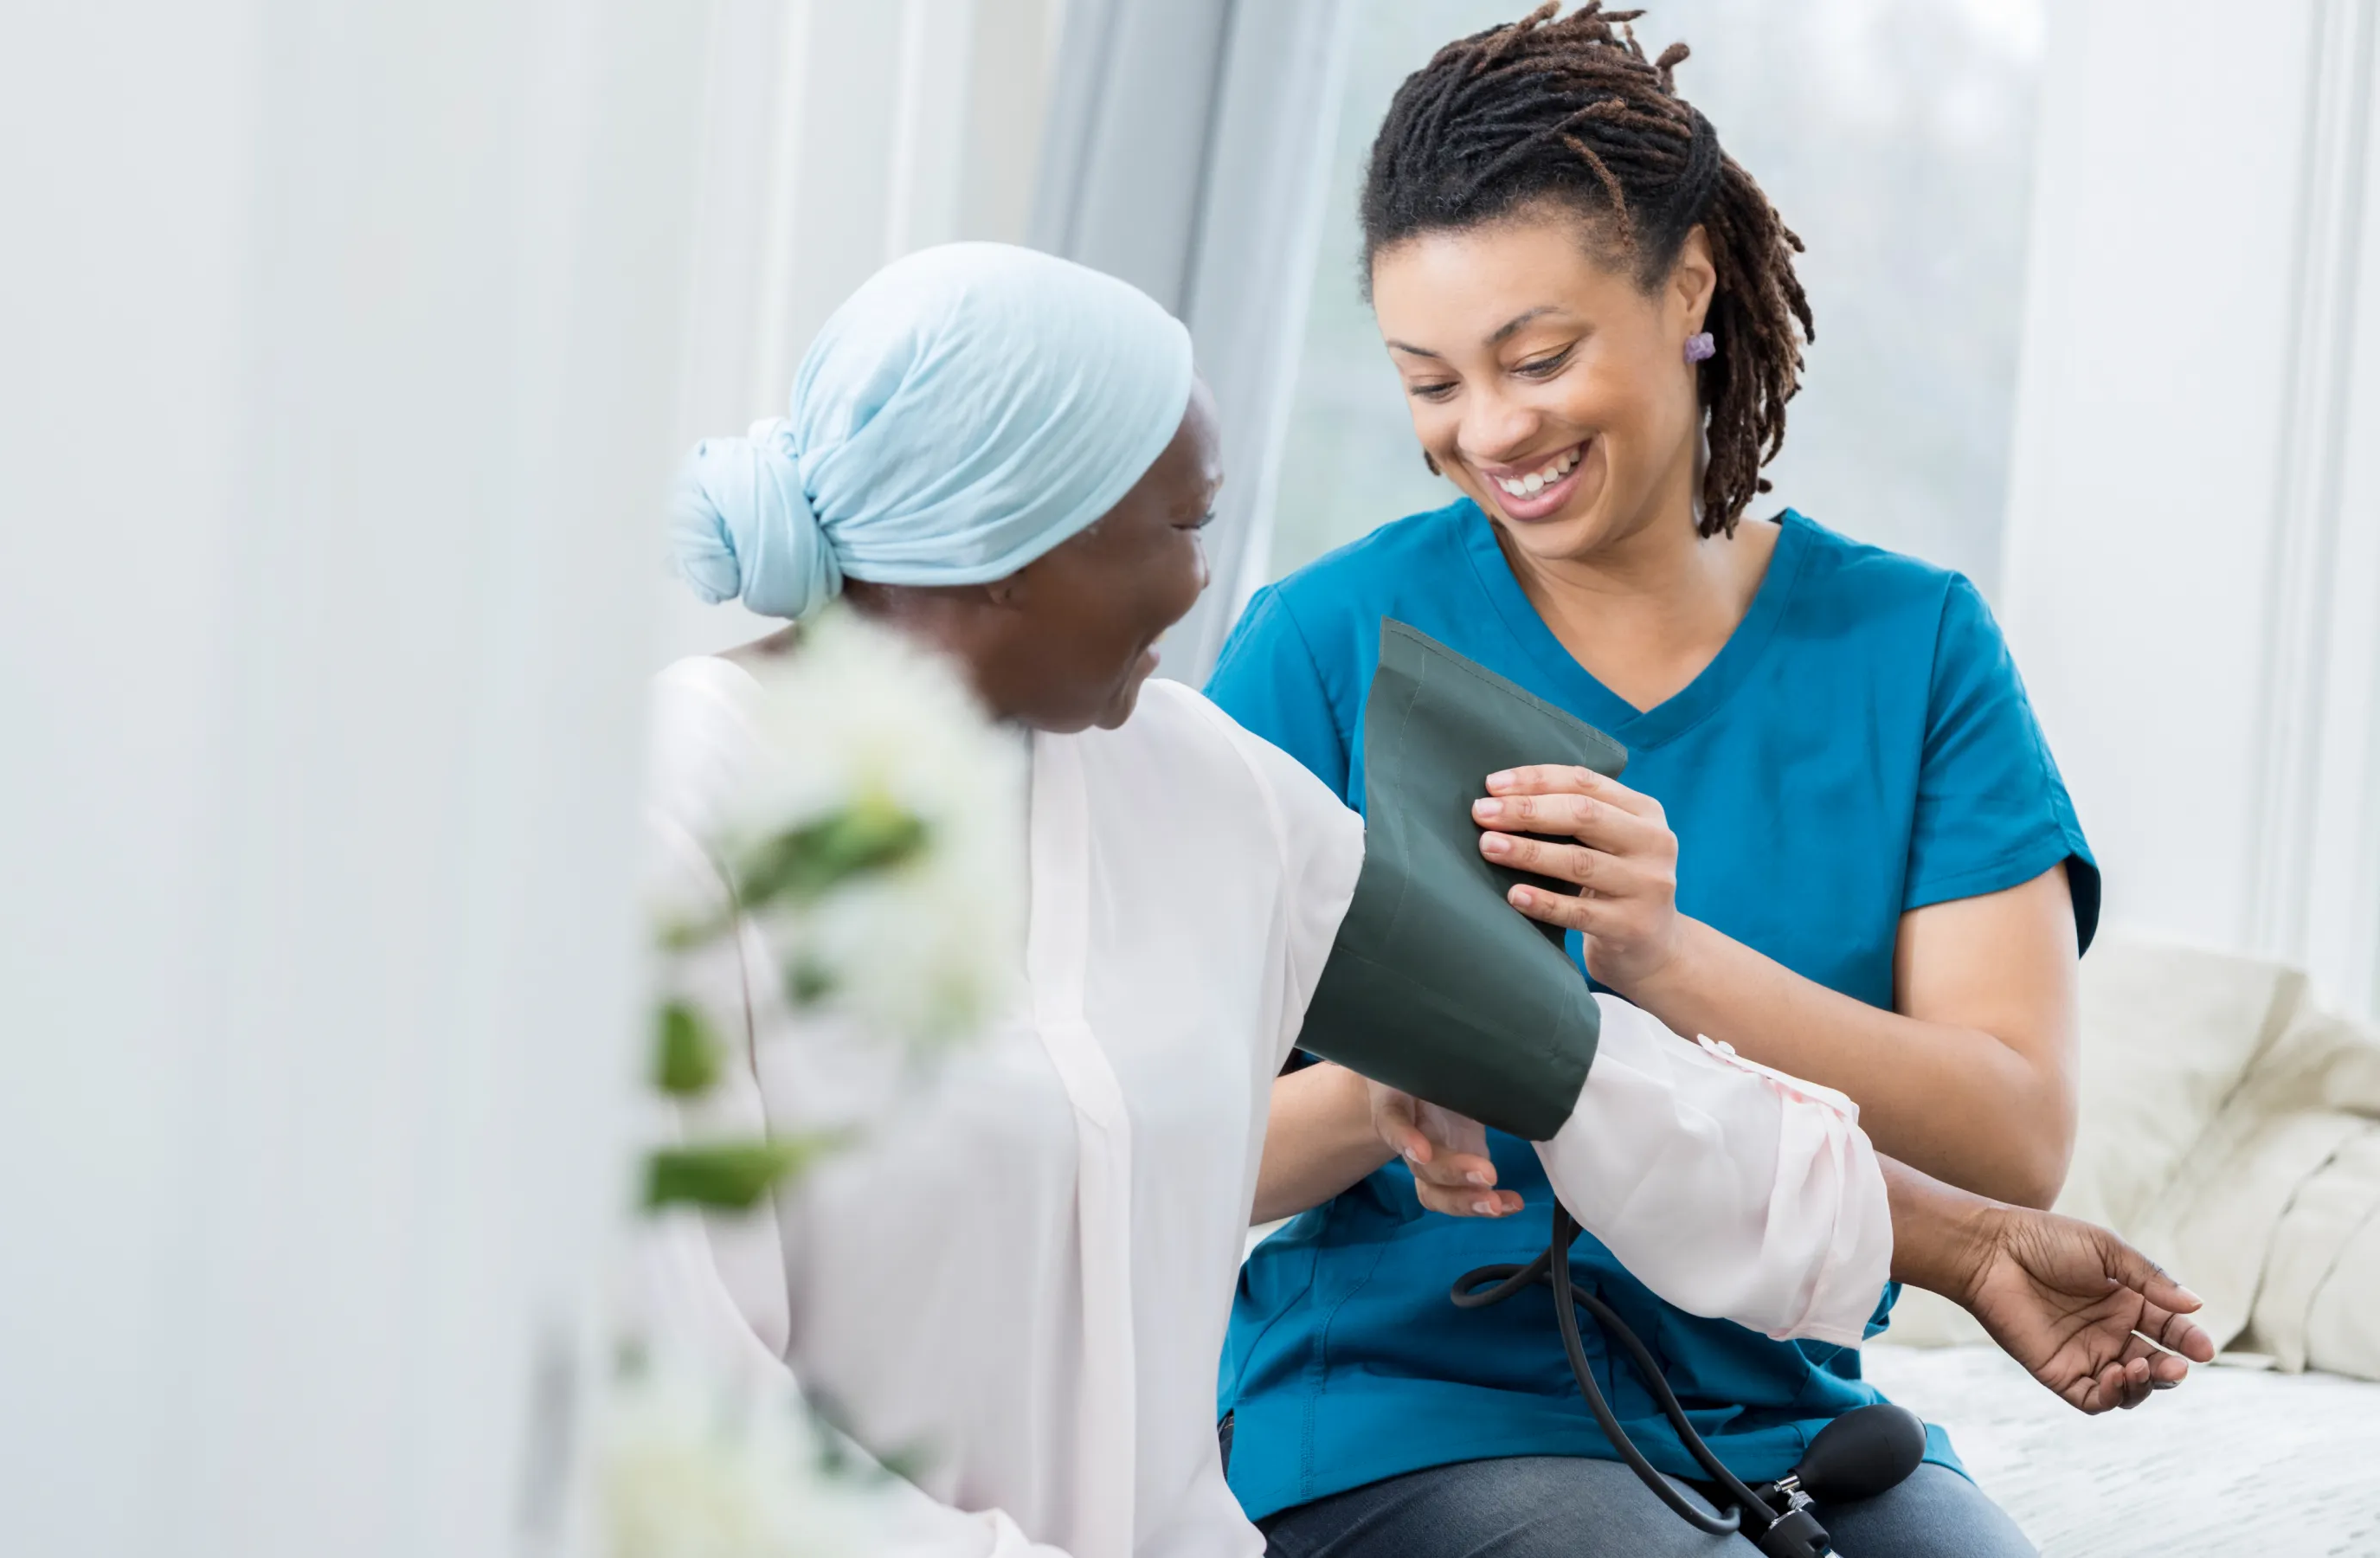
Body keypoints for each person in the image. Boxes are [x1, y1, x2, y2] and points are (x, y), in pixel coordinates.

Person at [647, 241, 2206, 1558]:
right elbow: (687, 1408)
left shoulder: (1197, 791)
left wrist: (1968, 1249)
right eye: (1177, 529)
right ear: (1005, 545)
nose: (1205, 584)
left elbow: (1587, 1071)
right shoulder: (673, 829)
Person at [1210, 8, 2120, 1556]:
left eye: (1540, 356)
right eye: (1431, 382)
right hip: (1402, 1411)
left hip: (1787, 1422)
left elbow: (2013, 1135)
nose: (1491, 430)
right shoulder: (1319, 646)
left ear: (1688, 284)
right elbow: (1159, 1131)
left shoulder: (1916, 650)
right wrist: (1394, 1082)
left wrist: (1659, 955)